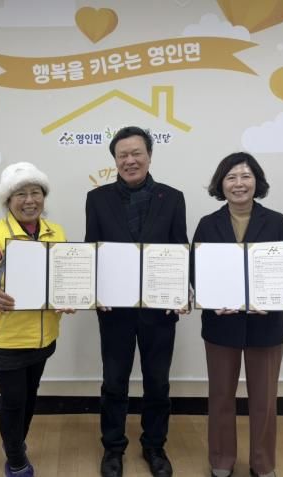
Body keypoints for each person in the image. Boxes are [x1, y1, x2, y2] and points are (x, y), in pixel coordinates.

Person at [85, 126, 188, 477]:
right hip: (115, 311)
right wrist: (94, 291)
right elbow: (91, 249)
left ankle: (154, 446)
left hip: (160, 311)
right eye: (122, 155)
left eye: (136, 153)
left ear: (149, 156)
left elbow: (179, 248)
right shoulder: (97, 199)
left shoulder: (172, 198)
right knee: (114, 382)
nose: (130, 160)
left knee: (157, 383)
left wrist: (181, 291)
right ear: (115, 160)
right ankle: (113, 447)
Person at [0, 162, 72, 477]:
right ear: (8, 200)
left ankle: (15, 442)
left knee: (30, 396)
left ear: (44, 197)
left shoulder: (56, 232)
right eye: (20, 194)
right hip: (6, 338)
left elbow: (61, 277)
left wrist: (69, 297)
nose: (29, 200)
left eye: (36, 192)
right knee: (13, 401)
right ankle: (15, 459)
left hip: (44, 335)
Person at [192, 152, 283, 477]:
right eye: (231, 177)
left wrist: (273, 301)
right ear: (221, 184)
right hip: (221, 323)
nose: (239, 183)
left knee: (264, 401)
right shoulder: (208, 224)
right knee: (221, 396)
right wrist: (210, 299)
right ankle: (221, 460)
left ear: (256, 182)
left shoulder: (276, 221)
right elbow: (195, 271)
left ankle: (263, 463)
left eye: (245, 176)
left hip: (267, 324)